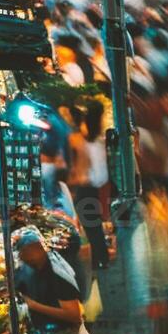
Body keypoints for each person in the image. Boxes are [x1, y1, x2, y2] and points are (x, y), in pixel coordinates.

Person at [68, 104, 110, 270]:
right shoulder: (98, 142)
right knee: (93, 227)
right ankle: (99, 258)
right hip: (94, 187)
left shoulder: (79, 141)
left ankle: (100, 259)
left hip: (86, 188)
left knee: (91, 228)